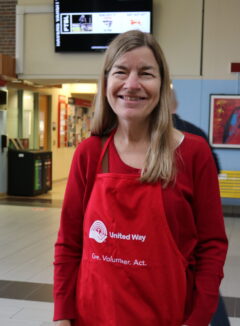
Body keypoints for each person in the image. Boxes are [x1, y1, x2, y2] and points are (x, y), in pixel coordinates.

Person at [53, 30, 228, 326]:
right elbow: (69, 244)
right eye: (121, 72)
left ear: (162, 84)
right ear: (107, 81)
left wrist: (197, 319)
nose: (131, 85)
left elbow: (212, 246)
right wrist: (63, 314)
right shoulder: (90, 153)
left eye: (146, 73)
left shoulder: (192, 153)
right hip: (93, 317)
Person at [170, 89, 230, 326]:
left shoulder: (190, 139)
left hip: (179, 232)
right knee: (201, 275)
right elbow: (214, 170)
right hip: (191, 226)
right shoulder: (197, 131)